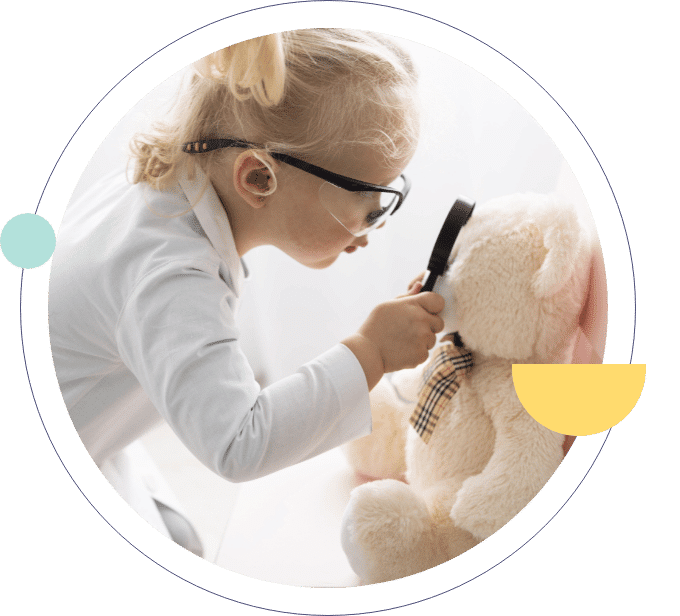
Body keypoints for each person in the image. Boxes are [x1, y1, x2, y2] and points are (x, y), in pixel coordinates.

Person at [48, 29, 443, 494]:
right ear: (258, 178)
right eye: (369, 201)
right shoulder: (170, 275)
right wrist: (371, 353)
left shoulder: (159, 191)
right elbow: (238, 443)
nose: (376, 222)